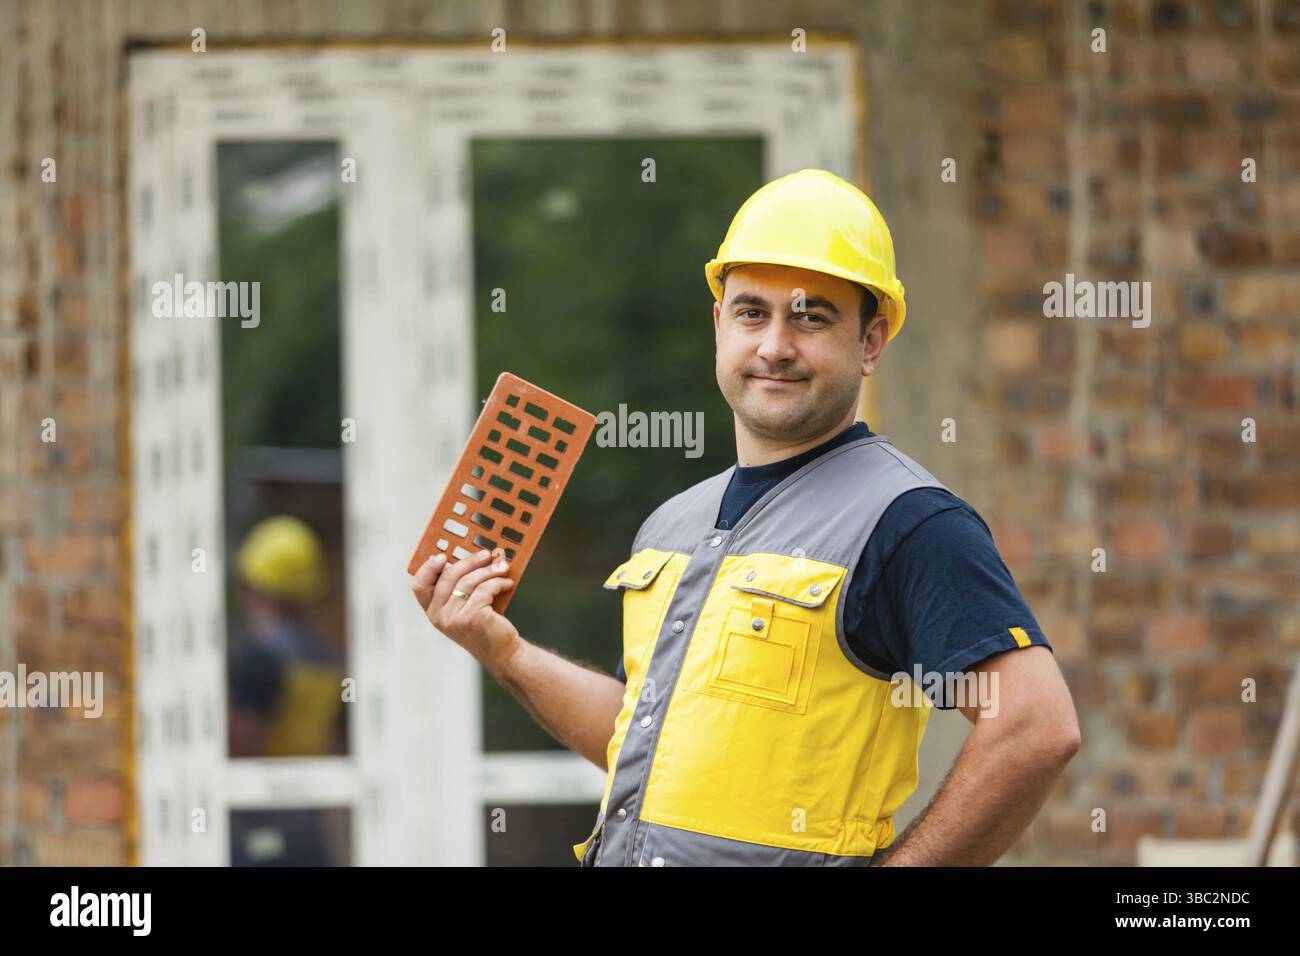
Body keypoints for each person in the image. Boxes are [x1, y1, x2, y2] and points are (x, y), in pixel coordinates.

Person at [411, 168, 1080, 867]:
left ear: (871, 341)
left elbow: (1034, 726)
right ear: (719, 324)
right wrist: (505, 652)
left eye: (811, 316)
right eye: (752, 312)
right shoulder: (672, 524)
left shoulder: (909, 522)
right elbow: (639, 737)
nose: (773, 346)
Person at [228, 514, 346, 866]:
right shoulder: (328, 661)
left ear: (254, 587)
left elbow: (245, 741)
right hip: (308, 827)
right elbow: (337, 747)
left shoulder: (260, 659)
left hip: (259, 823)